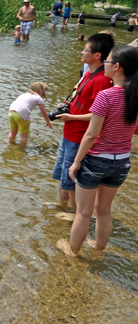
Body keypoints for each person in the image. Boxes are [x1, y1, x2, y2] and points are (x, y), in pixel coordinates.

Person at [57, 45, 138, 256]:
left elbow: (92, 134)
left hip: (96, 160)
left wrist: (76, 162)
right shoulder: (135, 97)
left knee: (83, 213)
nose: (105, 65)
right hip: (121, 162)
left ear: (117, 67)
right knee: (104, 210)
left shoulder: (107, 95)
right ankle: (98, 249)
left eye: (107, 62)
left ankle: (72, 251)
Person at [51, 33, 114, 217]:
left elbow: (98, 116)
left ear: (97, 55)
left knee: (71, 179)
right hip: (69, 132)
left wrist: (71, 118)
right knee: (62, 173)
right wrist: (68, 106)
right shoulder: (88, 74)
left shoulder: (101, 80)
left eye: (86, 49)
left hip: (79, 136)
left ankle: (75, 215)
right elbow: (83, 102)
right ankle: (62, 204)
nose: (82, 51)